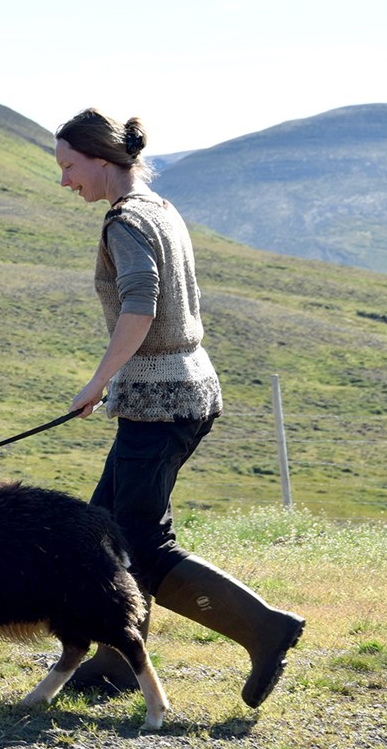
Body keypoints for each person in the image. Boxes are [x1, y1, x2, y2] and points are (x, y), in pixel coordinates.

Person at [55, 108, 305, 708]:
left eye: (68, 166)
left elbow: (141, 306)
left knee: (139, 541)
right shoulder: (160, 207)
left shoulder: (126, 221)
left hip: (159, 401)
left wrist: (97, 383)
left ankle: (266, 629)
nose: (65, 181)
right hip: (185, 390)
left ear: (100, 158)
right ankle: (118, 658)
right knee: (106, 526)